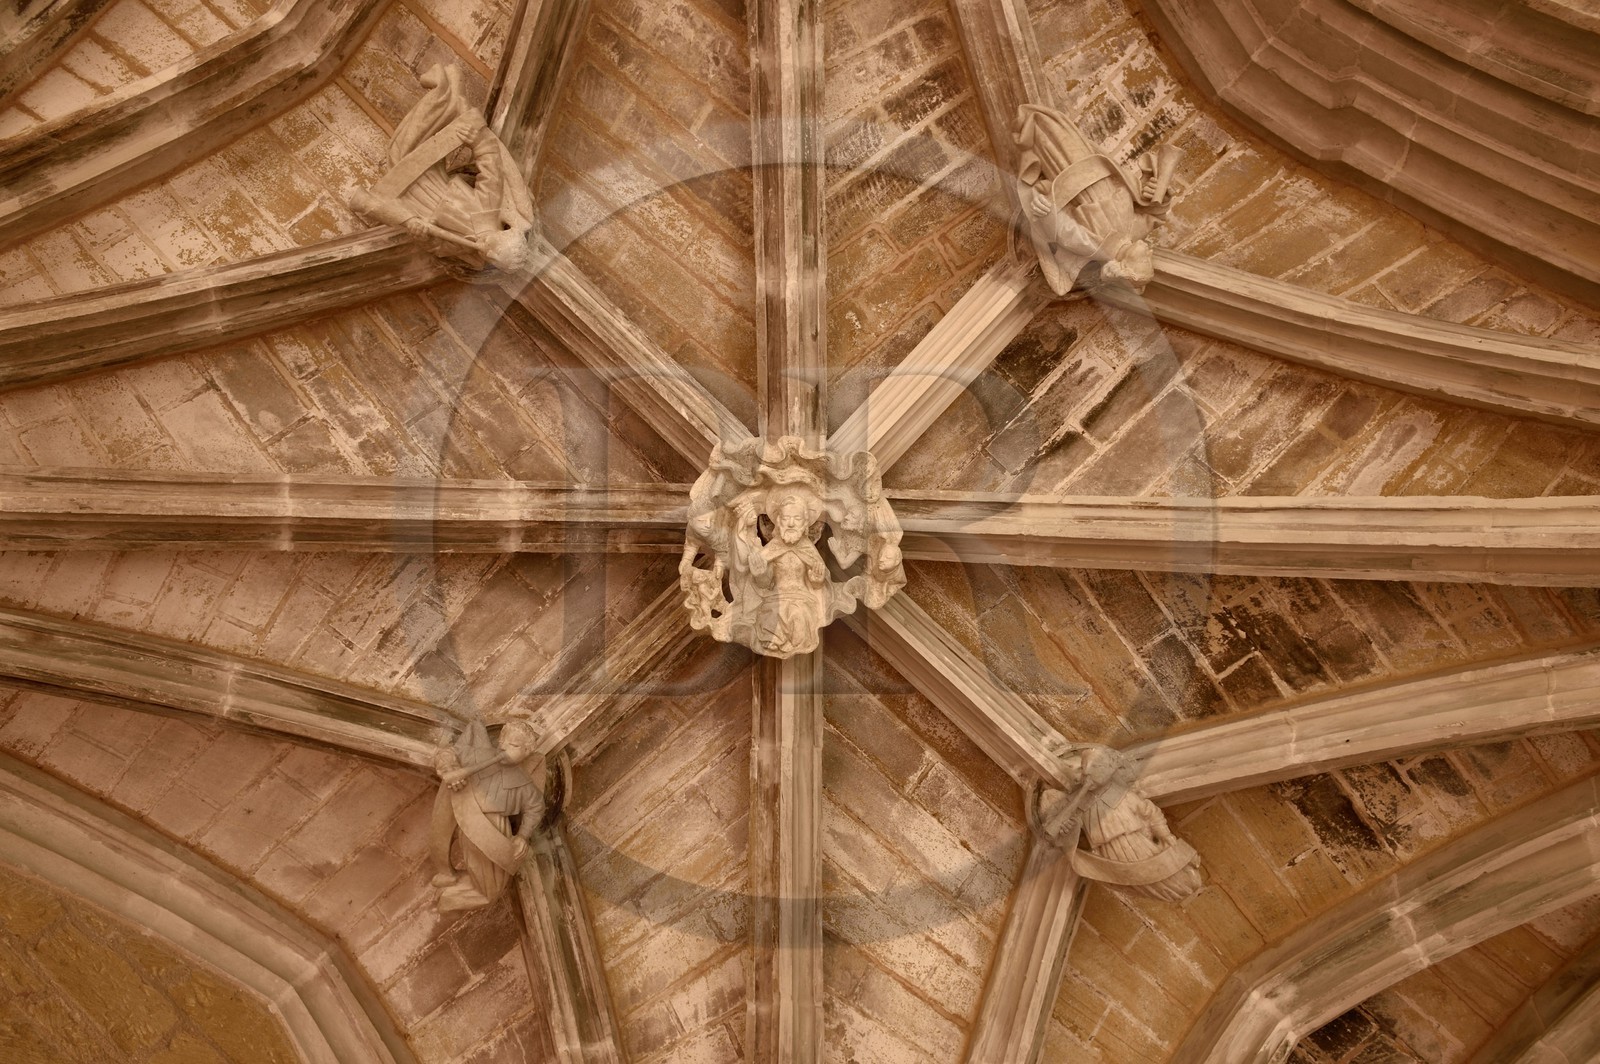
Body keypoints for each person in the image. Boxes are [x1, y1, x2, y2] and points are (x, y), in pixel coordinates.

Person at [351, 64, 534, 273]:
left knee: (399, 149)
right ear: (502, 236)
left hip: (417, 207)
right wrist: (479, 143)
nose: (488, 253)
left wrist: (420, 234)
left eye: (493, 259)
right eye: (495, 250)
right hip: (432, 185)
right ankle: (446, 90)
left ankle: (450, 90)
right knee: (403, 148)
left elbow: (437, 247)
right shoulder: (488, 212)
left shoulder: (463, 248)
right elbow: (492, 172)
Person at [1014, 103, 1176, 295]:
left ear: (1123, 267)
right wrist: (1161, 196)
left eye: (1144, 261)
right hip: (1092, 164)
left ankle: (1026, 128)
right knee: (1058, 125)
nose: (1150, 253)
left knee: (1042, 133)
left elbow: (1063, 230)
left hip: (1066, 174)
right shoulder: (1135, 232)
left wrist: (1046, 212)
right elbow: (1156, 215)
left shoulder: (1093, 248)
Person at [429, 720, 544, 912]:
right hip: (472, 821)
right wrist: (449, 768)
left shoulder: (523, 783)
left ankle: (448, 896)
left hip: (498, 829)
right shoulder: (479, 756)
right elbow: (447, 753)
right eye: (504, 743)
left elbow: (536, 808)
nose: (505, 748)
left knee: (492, 887)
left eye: (514, 746)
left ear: (526, 752)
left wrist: (523, 836)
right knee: (489, 888)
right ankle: (447, 899)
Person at [745, 489, 828, 657]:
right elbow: (765, 584)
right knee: (772, 616)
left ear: (805, 523)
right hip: (775, 597)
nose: (791, 523)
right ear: (778, 522)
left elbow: (818, 580)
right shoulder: (773, 548)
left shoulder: (807, 549)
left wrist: (816, 579)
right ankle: (776, 639)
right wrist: (760, 573)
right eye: (786, 518)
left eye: (796, 518)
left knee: (797, 615)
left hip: (801, 597)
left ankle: (793, 639)